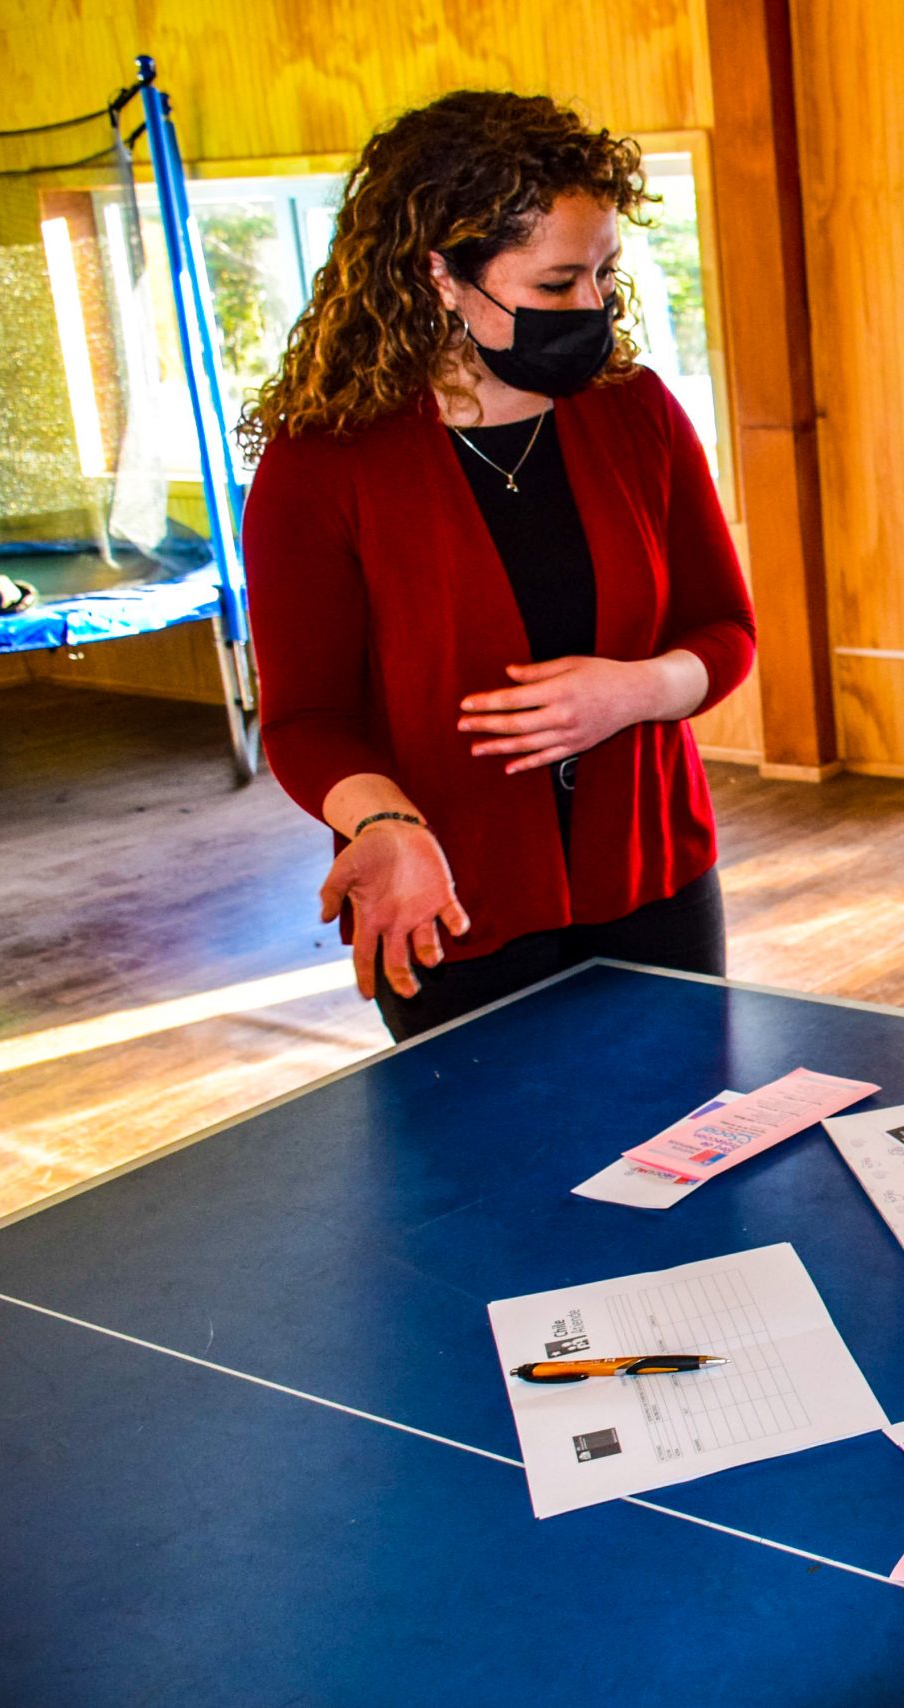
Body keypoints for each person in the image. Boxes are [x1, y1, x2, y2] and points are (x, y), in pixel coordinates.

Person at [241, 92, 754, 1041]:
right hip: (447, 904)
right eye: (558, 284)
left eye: (603, 273)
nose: (592, 306)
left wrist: (637, 690)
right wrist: (385, 828)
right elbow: (309, 721)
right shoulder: (323, 460)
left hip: (657, 883)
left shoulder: (636, 411)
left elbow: (727, 631)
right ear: (441, 272)